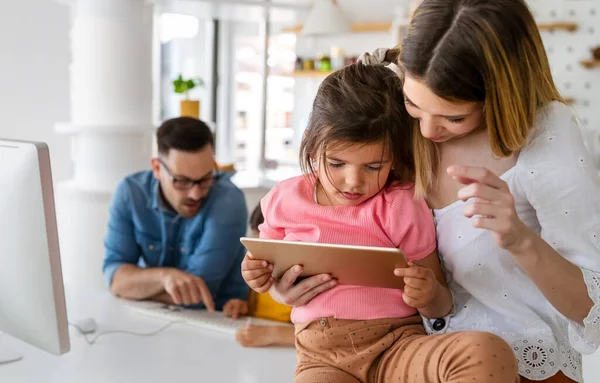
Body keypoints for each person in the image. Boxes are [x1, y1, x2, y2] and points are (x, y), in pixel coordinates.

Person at [250, 1, 600, 382]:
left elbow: (590, 309)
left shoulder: (546, 136)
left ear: (500, 96)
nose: (429, 132)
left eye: (454, 117)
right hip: (410, 351)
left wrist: (519, 239)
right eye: (413, 105)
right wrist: (290, 289)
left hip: (516, 364)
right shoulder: (391, 124)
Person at [243, 63, 519, 382]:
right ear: (310, 142)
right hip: (323, 357)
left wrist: (429, 295)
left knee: (486, 350)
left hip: (398, 346)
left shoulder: (400, 203)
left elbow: (441, 303)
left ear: (395, 158)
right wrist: (256, 275)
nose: (353, 182)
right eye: (337, 163)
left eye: (374, 166)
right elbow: (266, 273)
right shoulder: (283, 198)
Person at [103, 117, 249, 316]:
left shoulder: (228, 201)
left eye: (205, 179)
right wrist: (164, 277)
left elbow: (198, 296)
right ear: (156, 168)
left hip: (218, 318)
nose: (195, 194)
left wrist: (137, 287)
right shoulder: (131, 193)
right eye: (181, 181)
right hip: (156, 315)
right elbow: (115, 278)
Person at [234, 204, 296, 348]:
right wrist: (242, 308)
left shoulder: (310, 278)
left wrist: (273, 333)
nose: (262, 253)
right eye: (257, 244)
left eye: (268, 245)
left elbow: (323, 334)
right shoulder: (263, 270)